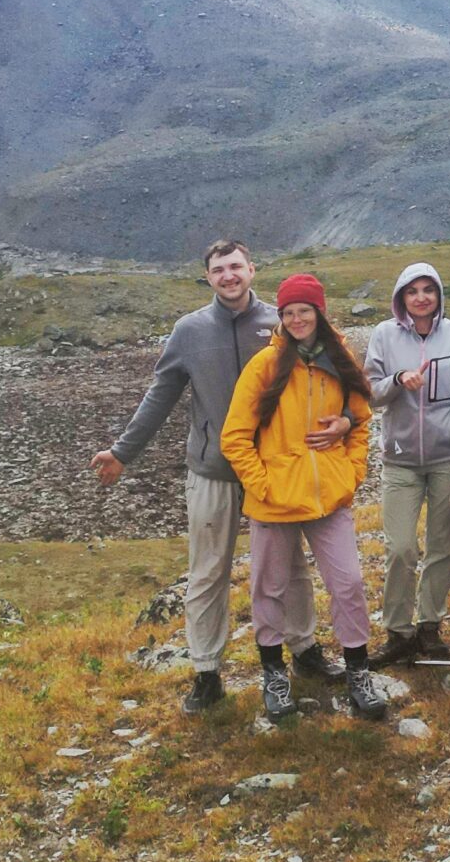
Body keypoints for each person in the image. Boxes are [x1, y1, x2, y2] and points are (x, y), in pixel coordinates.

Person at [91, 240, 332, 716]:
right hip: (214, 471)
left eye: (236, 266)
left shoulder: (281, 323)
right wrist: (122, 452)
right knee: (207, 573)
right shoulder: (189, 331)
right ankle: (206, 672)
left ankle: (304, 650)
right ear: (207, 277)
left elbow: (326, 379)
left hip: (273, 471)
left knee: (293, 568)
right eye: (219, 269)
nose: (228, 275)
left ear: (252, 270)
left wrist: (344, 422)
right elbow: (159, 397)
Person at [217, 275, 389, 724]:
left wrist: (350, 471)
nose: (295, 319)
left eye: (304, 311)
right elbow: (234, 438)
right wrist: (264, 486)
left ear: (319, 314)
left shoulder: (339, 358)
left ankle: (358, 673)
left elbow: (361, 417)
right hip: (274, 501)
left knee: (348, 584)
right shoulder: (265, 365)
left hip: (329, 498)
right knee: (268, 589)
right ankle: (274, 675)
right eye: (288, 312)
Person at [363, 262, 450, 666]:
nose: (422, 297)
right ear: (401, 298)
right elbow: (370, 393)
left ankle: (429, 626)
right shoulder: (384, 335)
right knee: (400, 548)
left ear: (439, 295)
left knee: (444, 547)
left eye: (429, 289)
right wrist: (397, 381)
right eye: (413, 291)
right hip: (400, 461)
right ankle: (398, 631)